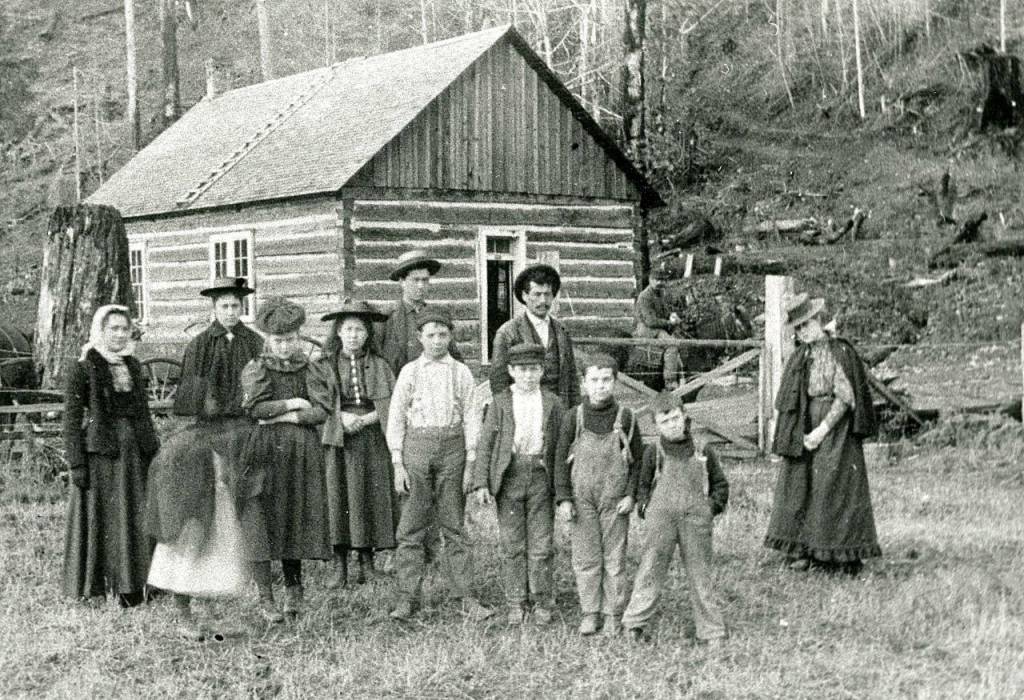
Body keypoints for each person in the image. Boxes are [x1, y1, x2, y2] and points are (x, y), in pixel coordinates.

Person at [145, 276, 265, 640]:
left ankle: (211, 605)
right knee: (194, 516)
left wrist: (248, 408)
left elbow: (260, 391)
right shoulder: (199, 345)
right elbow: (190, 400)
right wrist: (214, 405)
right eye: (224, 305)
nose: (231, 311)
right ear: (213, 308)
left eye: (236, 305)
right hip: (206, 436)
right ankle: (182, 605)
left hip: (242, 435)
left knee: (229, 518)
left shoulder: (254, 342)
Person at [385, 308, 492, 622]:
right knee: (411, 528)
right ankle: (406, 599)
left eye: (442, 334)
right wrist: (397, 463)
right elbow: (395, 417)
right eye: (430, 335)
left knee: (454, 526)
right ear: (420, 338)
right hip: (416, 447)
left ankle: (467, 596)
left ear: (451, 336)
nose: (436, 341)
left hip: (452, 449)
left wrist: (471, 461)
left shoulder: (460, 372)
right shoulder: (409, 372)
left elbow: (473, 416)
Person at [765, 293, 880, 576]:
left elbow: (845, 397)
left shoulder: (838, 351)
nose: (803, 332)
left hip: (834, 429)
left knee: (831, 485)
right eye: (798, 328)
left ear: (818, 321)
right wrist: (800, 433)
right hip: (806, 423)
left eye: (806, 325)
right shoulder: (801, 356)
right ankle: (806, 549)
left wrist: (821, 430)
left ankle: (840, 554)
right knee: (801, 484)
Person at [239, 297, 332, 619]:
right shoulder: (257, 368)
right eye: (277, 340)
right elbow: (255, 409)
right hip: (265, 453)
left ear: (299, 337)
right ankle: (266, 597)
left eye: (290, 340)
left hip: (301, 452)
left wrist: (286, 418)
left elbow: (321, 411)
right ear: (267, 338)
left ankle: (295, 591)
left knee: (294, 519)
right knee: (262, 521)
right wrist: (293, 403)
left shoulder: (311, 366)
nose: (284, 347)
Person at [62, 305, 160, 607]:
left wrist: (151, 450)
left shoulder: (133, 365)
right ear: (100, 331)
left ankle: (134, 586)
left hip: (134, 456)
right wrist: (77, 462)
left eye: (124, 328)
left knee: (133, 516)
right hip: (102, 455)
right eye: (113, 328)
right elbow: (71, 419)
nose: (119, 334)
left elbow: (143, 412)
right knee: (107, 520)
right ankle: (104, 586)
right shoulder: (83, 367)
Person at [621, 392, 729, 645]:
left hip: (695, 520)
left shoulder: (703, 450)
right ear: (656, 425)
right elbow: (643, 485)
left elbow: (720, 485)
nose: (672, 425)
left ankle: (711, 630)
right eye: (665, 421)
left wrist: (710, 508)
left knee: (700, 573)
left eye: (675, 418)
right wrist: (646, 507)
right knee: (651, 568)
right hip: (661, 520)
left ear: (684, 416)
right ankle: (634, 624)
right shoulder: (653, 452)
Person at [471, 343, 564, 626]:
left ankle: (542, 600)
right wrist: (481, 482)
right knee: (512, 544)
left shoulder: (552, 402)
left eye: (534, 370)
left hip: (540, 476)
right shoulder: (500, 402)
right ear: (511, 371)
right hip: (509, 476)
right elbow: (486, 445)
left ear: (542, 371)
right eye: (522, 370)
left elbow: (560, 445)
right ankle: (516, 601)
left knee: (541, 544)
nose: (528, 376)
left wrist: (561, 487)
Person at [309, 298, 398, 587]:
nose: (353, 335)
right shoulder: (323, 366)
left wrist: (374, 416)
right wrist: (341, 418)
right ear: (337, 332)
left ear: (368, 334)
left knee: (369, 498)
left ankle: (367, 562)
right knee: (339, 498)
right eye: (348, 329)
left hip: (372, 437)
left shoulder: (380, 365)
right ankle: (340, 565)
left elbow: (392, 402)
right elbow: (317, 402)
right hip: (338, 439)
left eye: (359, 330)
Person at [554, 354, 642, 636]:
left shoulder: (626, 418)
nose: (600, 386)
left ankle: (612, 613)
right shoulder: (574, 417)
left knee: (614, 559)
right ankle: (590, 611)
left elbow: (639, 461)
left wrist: (630, 495)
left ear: (615, 382)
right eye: (594, 380)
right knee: (586, 557)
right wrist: (564, 498)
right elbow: (558, 459)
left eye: (606, 380)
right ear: (584, 383)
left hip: (615, 501)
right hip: (582, 499)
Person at [489, 263, 580, 408]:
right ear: (525, 296)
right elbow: (499, 383)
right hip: (525, 411)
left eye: (547, 294)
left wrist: (575, 413)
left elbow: (572, 379)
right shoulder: (508, 332)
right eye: (537, 294)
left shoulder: (562, 330)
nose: (543, 301)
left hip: (559, 411)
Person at [378, 248, 462, 376]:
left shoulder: (438, 316)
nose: (421, 286)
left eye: (425, 280)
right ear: (402, 282)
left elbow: (454, 356)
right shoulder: (386, 317)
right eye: (415, 280)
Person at [633, 266, 684, 390]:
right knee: (671, 344)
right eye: (657, 279)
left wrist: (672, 316)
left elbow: (664, 312)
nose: (660, 282)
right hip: (647, 329)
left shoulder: (660, 294)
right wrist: (669, 323)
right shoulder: (645, 296)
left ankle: (681, 373)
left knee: (681, 337)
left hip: (658, 327)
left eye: (663, 280)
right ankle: (670, 382)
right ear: (650, 280)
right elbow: (650, 321)